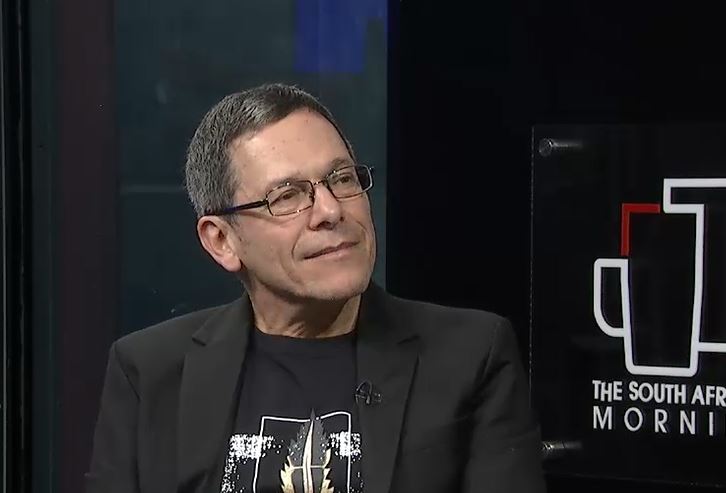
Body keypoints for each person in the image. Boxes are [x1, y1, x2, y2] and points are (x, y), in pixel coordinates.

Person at [85, 83, 546, 493]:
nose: (330, 210)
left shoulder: (470, 356)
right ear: (222, 240)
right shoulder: (150, 372)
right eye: (287, 196)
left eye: (342, 179)